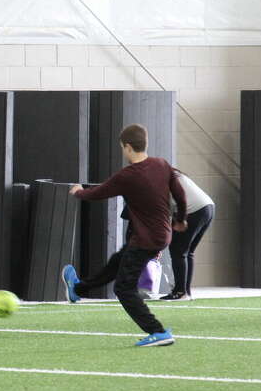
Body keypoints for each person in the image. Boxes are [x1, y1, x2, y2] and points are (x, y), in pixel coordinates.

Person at [60, 124, 187, 347]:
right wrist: (180, 219)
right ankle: (77, 288)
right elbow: (180, 194)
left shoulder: (127, 175)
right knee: (117, 261)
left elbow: (98, 193)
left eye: (122, 148)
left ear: (128, 147)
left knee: (123, 288)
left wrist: (78, 191)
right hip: (161, 235)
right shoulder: (162, 164)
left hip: (146, 239)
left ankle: (157, 331)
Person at [161, 171, 214, 300]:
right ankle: (185, 291)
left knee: (178, 251)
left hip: (193, 210)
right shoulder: (173, 173)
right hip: (208, 207)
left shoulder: (159, 180)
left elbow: (165, 211)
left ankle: (180, 292)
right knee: (187, 251)